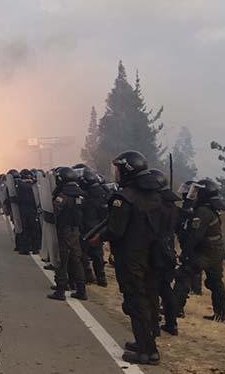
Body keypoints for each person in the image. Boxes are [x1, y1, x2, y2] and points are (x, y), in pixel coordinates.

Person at [91, 151, 162, 365]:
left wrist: (98, 239)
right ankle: (145, 343)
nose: (117, 173)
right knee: (148, 299)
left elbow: (116, 230)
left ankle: (146, 352)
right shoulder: (154, 194)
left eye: (119, 169)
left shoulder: (124, 197)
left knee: (135, 301)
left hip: (131, 258)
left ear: (128, 170)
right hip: (152, 254)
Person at [172, 179, 225, 323]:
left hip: (205, 252)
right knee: (216, 282)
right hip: (216, 251)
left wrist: (186, 254)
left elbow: (195, 236)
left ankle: (175, 309)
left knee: (183, 275)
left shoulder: (202, 212)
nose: (191, 195)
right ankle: (221, 314)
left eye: (195, 192)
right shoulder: (210, 210)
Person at [46, 166, 88, 301]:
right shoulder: (81, 194)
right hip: (76, 230)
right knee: (76, 260)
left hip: (64, 230)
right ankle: (81, 290)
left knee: (61, 260)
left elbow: (55, 210)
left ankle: (60, 290)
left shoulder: (63, 195)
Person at [149, 169, 180, 336]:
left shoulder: (157, 205)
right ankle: (171, 323)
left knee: (153, 289)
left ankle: (153, 325)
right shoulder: (172, 207)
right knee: (166, 289)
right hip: (168, 251)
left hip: (157, 251)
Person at [78, 166, 109, 287]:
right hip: (99, 227)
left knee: (84, 254)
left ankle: (88, 276)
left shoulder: (86, 195)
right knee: (98, 255)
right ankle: (101, 278)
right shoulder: (103, 192)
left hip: (87, 227)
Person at [16, 169, 42, 254]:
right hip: (33, 210)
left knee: (24, 230)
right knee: (34, 230)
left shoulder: (18, 185)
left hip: (22, 210)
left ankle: (24, 249)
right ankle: (35, 248)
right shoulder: (34, 186)